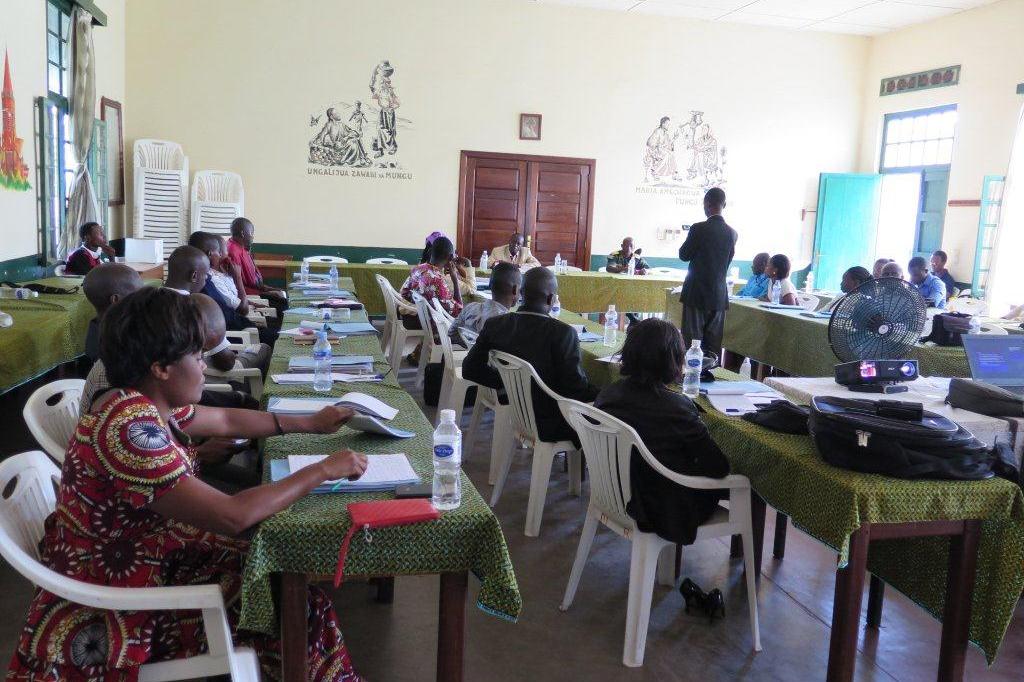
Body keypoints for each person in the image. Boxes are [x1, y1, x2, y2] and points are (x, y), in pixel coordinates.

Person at [7, 287, 367, 680]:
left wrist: (311, 423)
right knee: (298, 603)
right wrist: (322, 470)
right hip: (120, 596)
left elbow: (225, 420)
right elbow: (232, 516)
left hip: (150, 554)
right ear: (161, 367)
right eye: (196, 356)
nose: (203, 365)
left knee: (283, 576)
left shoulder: (141, 401)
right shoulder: (128, 430)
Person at [594, 319, 729, 545]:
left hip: (616, 491)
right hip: (663, 508)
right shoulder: (677, 408)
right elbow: (719, 467)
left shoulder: (608, 394)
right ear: (674, 360)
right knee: (745, 486)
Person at [462, 267, 598, 444]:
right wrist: (603, 393)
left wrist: (508, 382)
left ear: (521, 293)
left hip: (515, 411)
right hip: (551, 422)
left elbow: (469, 369)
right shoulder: (563, 333)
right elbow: (575, 389)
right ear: (550, 299)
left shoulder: (496, 325)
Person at [678, 187, 736, 360]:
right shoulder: (732, 233)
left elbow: (684, 255)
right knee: (713, 347)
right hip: (719, 295)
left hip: (696, 294)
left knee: (692, 345)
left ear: (707, 204)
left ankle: (690, 375)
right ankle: (711, 374)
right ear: (724, 204)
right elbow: (727, 262)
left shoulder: (698, 228)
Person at [193, 291, 272, 379]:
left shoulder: (184, 303)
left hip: (206, 369)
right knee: (264, 348)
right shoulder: (199, 303)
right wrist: (232, 355)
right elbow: (226, 363)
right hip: (216, 375)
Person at [81, 263, 143, 363]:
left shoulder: (105, 326)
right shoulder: (115, 346)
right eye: (139, 292)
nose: (143, 296)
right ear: (116, 300)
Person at [226, 217, 287, 312]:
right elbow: (237, 286)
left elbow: (253, 279)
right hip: (248, 296)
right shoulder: (233, 252)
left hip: (254, 290)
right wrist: (265, 293)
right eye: (252, 233)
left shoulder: (241, 247)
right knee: (283, 304)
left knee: (283, 295)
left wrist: (269, 289)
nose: (253, 237)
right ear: (243, 233)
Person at [450, 262, 521, 342]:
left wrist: (468, 345)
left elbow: (451, 334)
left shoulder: (470, 307)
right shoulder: (509, 323)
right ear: (515, 290)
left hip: (466, 349)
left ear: (490, 285)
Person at [189, 230, 251, 317]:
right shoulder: (211, 279)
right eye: (219, 252)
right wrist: (238, 278)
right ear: (210, 254)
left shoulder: (215, 274)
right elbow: (243, 310)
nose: (222, 255)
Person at [401, 236, 463, 317]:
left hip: (413, 317)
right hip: (428, 321)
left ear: (431, 251)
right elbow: (458, 311)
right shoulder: (437, 280)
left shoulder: (417, 269)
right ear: (450, 257)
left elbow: (404, 293)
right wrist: (455, 280)